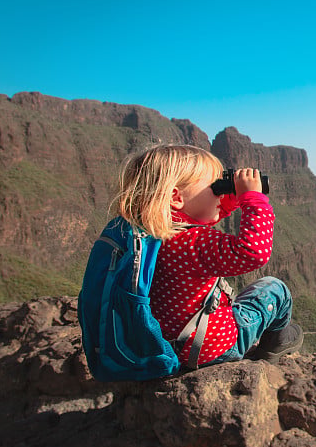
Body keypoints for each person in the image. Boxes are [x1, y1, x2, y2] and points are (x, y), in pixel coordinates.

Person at [112, 143, 303, 367]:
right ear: (176, 198)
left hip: (160, 344)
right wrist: (252, 199)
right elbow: (254, 252)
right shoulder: (194, 243)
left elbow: (199, 217)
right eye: (214, 187)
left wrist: (229, 201)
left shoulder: (145, 235)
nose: (218, 191)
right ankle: (276, 343)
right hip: (208, 350)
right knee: (273, 289)